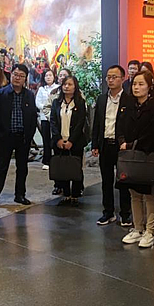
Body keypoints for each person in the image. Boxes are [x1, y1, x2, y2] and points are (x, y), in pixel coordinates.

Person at [118, 70, 154, 248]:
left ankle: (150, 231)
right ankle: (137, 228)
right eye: (134, 84)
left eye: (141, 84)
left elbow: (153, 133)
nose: (136, 87)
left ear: (149, 86)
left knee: (149, 194)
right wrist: (122, 141)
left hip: (147, 154)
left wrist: (132, 144)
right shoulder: (129, 105)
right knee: (134, 193)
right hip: (130, 155)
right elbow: (120, 125)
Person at [0, 63, 38, 209]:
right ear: (11, 75)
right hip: (6, 137)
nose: (17, 78)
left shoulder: (29, 95)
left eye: (21, 76)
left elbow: (33, 116)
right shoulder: (0, 94)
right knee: (1, 167)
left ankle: (20, 195)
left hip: (23, 137)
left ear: (25, 79)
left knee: (22, 168)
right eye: (15, 74)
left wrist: (29, 135)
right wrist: (0, 135)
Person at [92, 65, 134, 226]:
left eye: (114, 77)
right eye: (108, 77)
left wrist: (128, 143)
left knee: (123, 180)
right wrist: (95, 144)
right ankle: (108, 212)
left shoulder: (129, 100)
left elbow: (131, 125)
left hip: (120, 146)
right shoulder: (102, 99)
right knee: (106, 180)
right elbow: (97, 123)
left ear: (122, 79)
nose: (110, 80)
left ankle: (125, 213)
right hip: (105, 144)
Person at [50, 75, 89, 204]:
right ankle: (66, 193)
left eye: (70, 84)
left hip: (75, 142)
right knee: (63, 168)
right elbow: (53, 121)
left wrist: (71, 141)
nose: (66, 87)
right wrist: (58, 139)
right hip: (60, 141)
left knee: (75, 167)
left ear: (75, 86)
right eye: (64, 84)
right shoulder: (56, 102)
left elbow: (80, 123)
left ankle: (76, 194)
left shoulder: (80, 103)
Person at [35, 69, 58, 170]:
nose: (48, 77)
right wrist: (46, 109)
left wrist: (54, 110)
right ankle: (46, 161)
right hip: (44, 117)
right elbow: (38, 102)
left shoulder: (58, 88)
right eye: (46, 76)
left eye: (50, 75)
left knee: (56, 138)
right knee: (46, 139)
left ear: (54, 77)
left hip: (56, 118)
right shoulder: (41, 89)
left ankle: (57, 159)